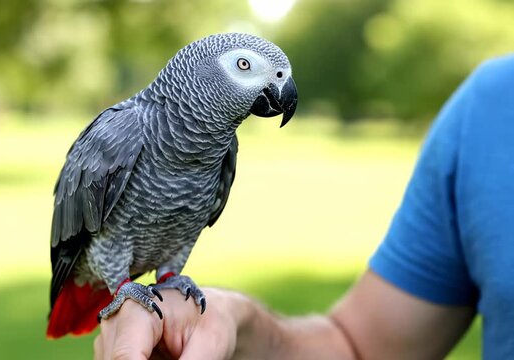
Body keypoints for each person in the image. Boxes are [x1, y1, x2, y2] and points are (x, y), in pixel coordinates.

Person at [94, 55, 514, 359]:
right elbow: (358, 348)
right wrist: (232, 320)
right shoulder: (488, 104)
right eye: (244, 66)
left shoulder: (220, 154)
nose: (278, 83)